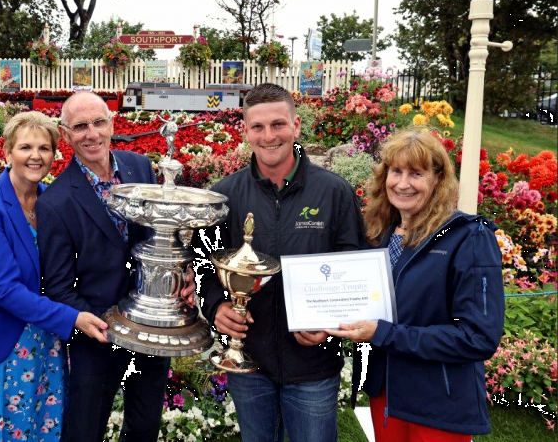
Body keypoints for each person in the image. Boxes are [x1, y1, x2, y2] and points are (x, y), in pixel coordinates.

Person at [192, 83, 366, 442]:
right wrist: (216, 306)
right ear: (245, 132)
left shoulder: (334, 192)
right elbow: (203, 263)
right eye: (257, 127)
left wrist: (330, 322)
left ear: (296, 126)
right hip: (247, 361)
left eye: (278, 124)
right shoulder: (224, 195)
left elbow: (353, 270)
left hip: (313, 366)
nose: (268, 136)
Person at [325, 127, 504, 441]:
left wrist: (383, 333)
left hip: (437, 404)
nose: (403, 183)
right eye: (396, 171)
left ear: (437, 179)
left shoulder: (468, 237)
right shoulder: (379, 234)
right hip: (386, 395)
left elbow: (478, 337)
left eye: (416, 174)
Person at [36, 92, 196, 442]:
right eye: (80, 126)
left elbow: (160, 235)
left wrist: (181, 273)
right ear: (65, 135)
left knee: (143, 427)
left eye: (98, 122)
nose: (91, 133)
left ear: (111, 124)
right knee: (85, 431)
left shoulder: (139, 167)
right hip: (98, 336)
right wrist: (91, 322)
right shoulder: (56, 202)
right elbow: (58, 286)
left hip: (153, 326)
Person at [0, 111, 109, 441]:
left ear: (55, 154)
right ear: (7, 152)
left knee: (41, 429)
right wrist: (73, 318)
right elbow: (3, 289)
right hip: (3, 349)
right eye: (25, 147)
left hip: (45, 345)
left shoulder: (52, 201)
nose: (36, 156)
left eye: (45, 148)